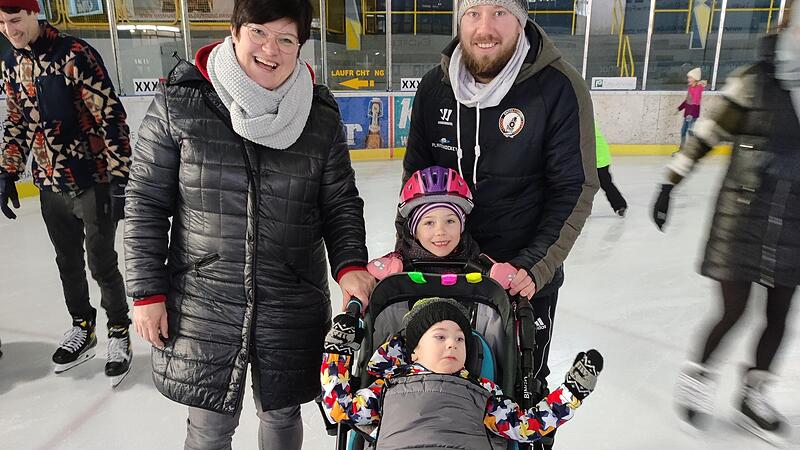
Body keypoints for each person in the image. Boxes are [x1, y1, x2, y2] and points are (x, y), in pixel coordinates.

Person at [123, 0, 374, 448]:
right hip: (205, 297)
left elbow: (339, 201)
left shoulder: (318, 115)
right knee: (209, 426)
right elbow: (145, 201)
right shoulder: (181, 102)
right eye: (259, 31)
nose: (270, 49)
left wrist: (351, 262)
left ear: (300, 47)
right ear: (235, 31)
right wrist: (147, 292)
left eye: (286, 38)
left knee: (281, 414)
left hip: (291, 293)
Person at [401, 2, 599, 446]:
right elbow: (414, 182)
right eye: (472, 12)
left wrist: (534, 266)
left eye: (499, 12)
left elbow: (574, 187)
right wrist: (411, 251)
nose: (484, 28)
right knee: (438, 372)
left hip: (522, 278)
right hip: (441, 271)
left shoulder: (558, 87)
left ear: (522, 19)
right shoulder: (435, 87)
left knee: (521, 380)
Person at [652, 7, 798, 444]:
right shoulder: (752, 81)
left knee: (779, 315)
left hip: (794, 221)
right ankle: (698, 380)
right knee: (733, 311)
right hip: (743, 216)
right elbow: (706, 134)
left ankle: (753, 398)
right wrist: (668, 184)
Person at [0, 0, 132, 381]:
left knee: (102, 263)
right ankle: (82, 326)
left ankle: (118, 330)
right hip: (49, 184)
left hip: (93, 180)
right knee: (67, 262)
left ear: (33, 14)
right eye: (3, 23)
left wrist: (121, 178)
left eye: (16, 20)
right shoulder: (10, 65)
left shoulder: (74, 55)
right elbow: (16, 123)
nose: (10, 29)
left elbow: (110, 116)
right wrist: (8, 172)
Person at [321, 297, 603, 447]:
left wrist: (571, 393)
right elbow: (339, 409)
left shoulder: (483, 392)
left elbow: (524, 427)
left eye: (460, 340)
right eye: (440, 337)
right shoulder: (387, 388)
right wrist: (337, 352)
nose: (453, 344)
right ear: (414, 351)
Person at [369, 166, 520, 291]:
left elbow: (506, 279)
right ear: (415, 230)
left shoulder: (477, 261)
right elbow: (373, 274)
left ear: (462, 226)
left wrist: (502, 276)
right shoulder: (399, 262)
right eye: (429, 223)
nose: (440, 231)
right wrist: (379, 274)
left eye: (450, 221)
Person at [595, 126, 627, 217]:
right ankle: (620, 205)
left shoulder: (580, 122)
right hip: (598, 157)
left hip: (598, 158)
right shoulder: (583, 119)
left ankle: (620, 205)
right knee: (605, 183)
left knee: (603, 183)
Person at [677, 67, 705, 147]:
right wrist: (679, 108)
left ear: (695, 78)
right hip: (688, 114)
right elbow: (688, 100)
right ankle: (682, 148)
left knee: (690, 131)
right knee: (683, 131)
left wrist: (690, 114)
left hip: (692, 114)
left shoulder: (698, 88)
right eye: (688, 77)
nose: (688, 79)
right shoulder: (691, 87)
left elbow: (695, 102)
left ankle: (692, 148)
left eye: (690, 77)